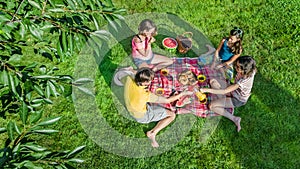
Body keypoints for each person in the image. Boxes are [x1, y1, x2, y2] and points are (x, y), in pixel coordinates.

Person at [123, 67, 193, 147]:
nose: (151, 81)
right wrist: (182, 94)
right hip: (142, 116)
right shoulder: (145, 95)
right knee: (172, 115)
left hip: (131, 108)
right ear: (145, 82)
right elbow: (167, 100)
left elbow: (121, 75)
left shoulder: (129, 79)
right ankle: (153, 133)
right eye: (150, 81)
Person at [201, 56, 256, 132]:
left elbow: (224, 91)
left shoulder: (243, 81)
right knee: (212, 81)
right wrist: (223, 66)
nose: (235, 67)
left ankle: (235, 119)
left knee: (211, 106)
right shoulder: (252, 69)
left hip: (237, 99)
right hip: (233, 90)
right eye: (236, 64)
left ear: (244, 70)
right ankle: (223, 100)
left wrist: (206, 90)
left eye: (237, 67)